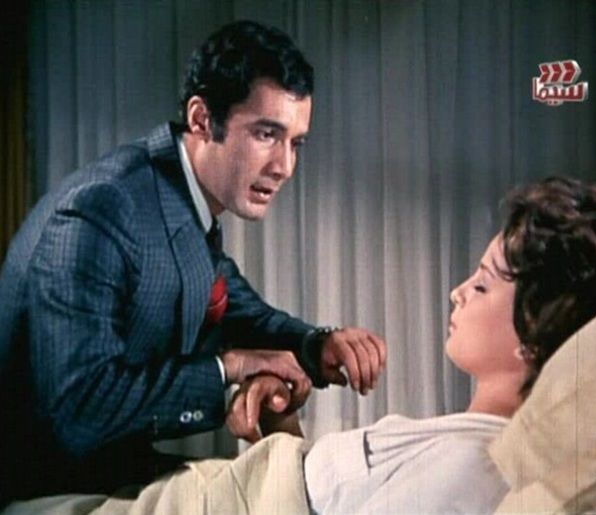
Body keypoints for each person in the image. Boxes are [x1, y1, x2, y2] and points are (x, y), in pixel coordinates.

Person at [0, 20, 386, 505]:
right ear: (202, 119)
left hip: (109, 474)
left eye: (295, 143)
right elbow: (80, 411)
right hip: (44, 490)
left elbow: (236, 309)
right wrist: (228, 369)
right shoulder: (104, 208)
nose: (284, 167)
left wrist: (317, 344)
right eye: (266, 134)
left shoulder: (180, 201)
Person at [226, 177, 596, 514]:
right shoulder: (464, 444)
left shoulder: (475, 471)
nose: (458, 292)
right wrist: (279, 421)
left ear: (534, 334)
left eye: (482, 285)